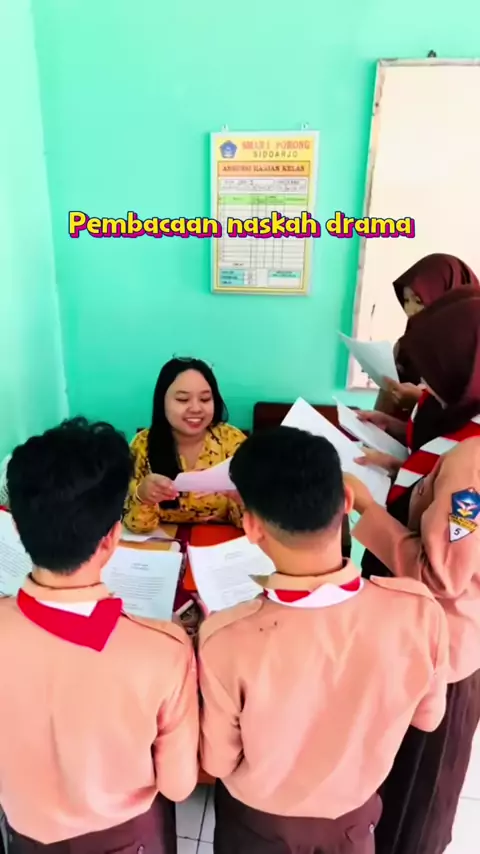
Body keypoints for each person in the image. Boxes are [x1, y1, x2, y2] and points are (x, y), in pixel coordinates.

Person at [198, 426, 449, 854]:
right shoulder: (419, 611)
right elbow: (428, 718)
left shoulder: (225, 638)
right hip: (354, 822)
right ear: (347, 501)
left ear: (251, 527)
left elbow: (218, 761)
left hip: (259, 826)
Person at [0, 418, 199, 854]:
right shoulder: (162, 650)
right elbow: (179, 785)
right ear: (111, 538)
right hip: (127, 837)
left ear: (16, 528)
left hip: (26, 834)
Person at [352, 293, 480, 854]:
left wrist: (365, 509)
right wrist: (399, 469)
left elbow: (443, 575)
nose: (423, 384)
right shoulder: (465, 430)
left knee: (416, 802)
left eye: (433, 370)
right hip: (423, 638)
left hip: (443, 653)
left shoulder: (472, 470)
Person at [124, 358, 245, 532]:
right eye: (183, 399)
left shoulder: (232, 441)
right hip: (163, 542)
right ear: (162, 401)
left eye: (205, 399)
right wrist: (142, 496)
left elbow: (249, 523)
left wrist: (243, 499)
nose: (196, 408)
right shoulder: (142, 445)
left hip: (219, 541)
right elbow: (135, 526)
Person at [375, 253, 479, 416]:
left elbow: (465, 420)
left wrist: (420, 401)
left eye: (418, 301)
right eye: (406, 300)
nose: (410, 310)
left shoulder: (471, 354)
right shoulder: (405, 348)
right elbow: (383, 411)